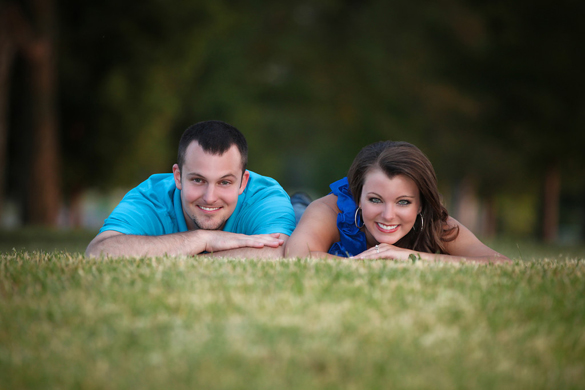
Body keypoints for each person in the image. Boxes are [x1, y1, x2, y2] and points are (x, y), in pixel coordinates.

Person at [86, 120, 296, 258]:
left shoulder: (265, 196)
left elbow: (280, 253)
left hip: (292, 209)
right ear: (178, 177)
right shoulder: (151, 197)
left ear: (243, 182)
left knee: (301, 216)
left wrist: (188, 256)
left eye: (224, 182)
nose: (210, 197)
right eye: (198, 180)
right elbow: (99, 252)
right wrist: (203, 239)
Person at [285, 141, 511, 263]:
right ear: (358, 196)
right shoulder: (329, 210)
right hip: (300, 217)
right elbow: (297, 256)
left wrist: (409, 257)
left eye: (403, 202)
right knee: (295, 214)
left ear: (421, 204)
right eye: (375, 199)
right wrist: (368, 263)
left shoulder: (435, 223)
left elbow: (501, 264)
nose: (388, 214)